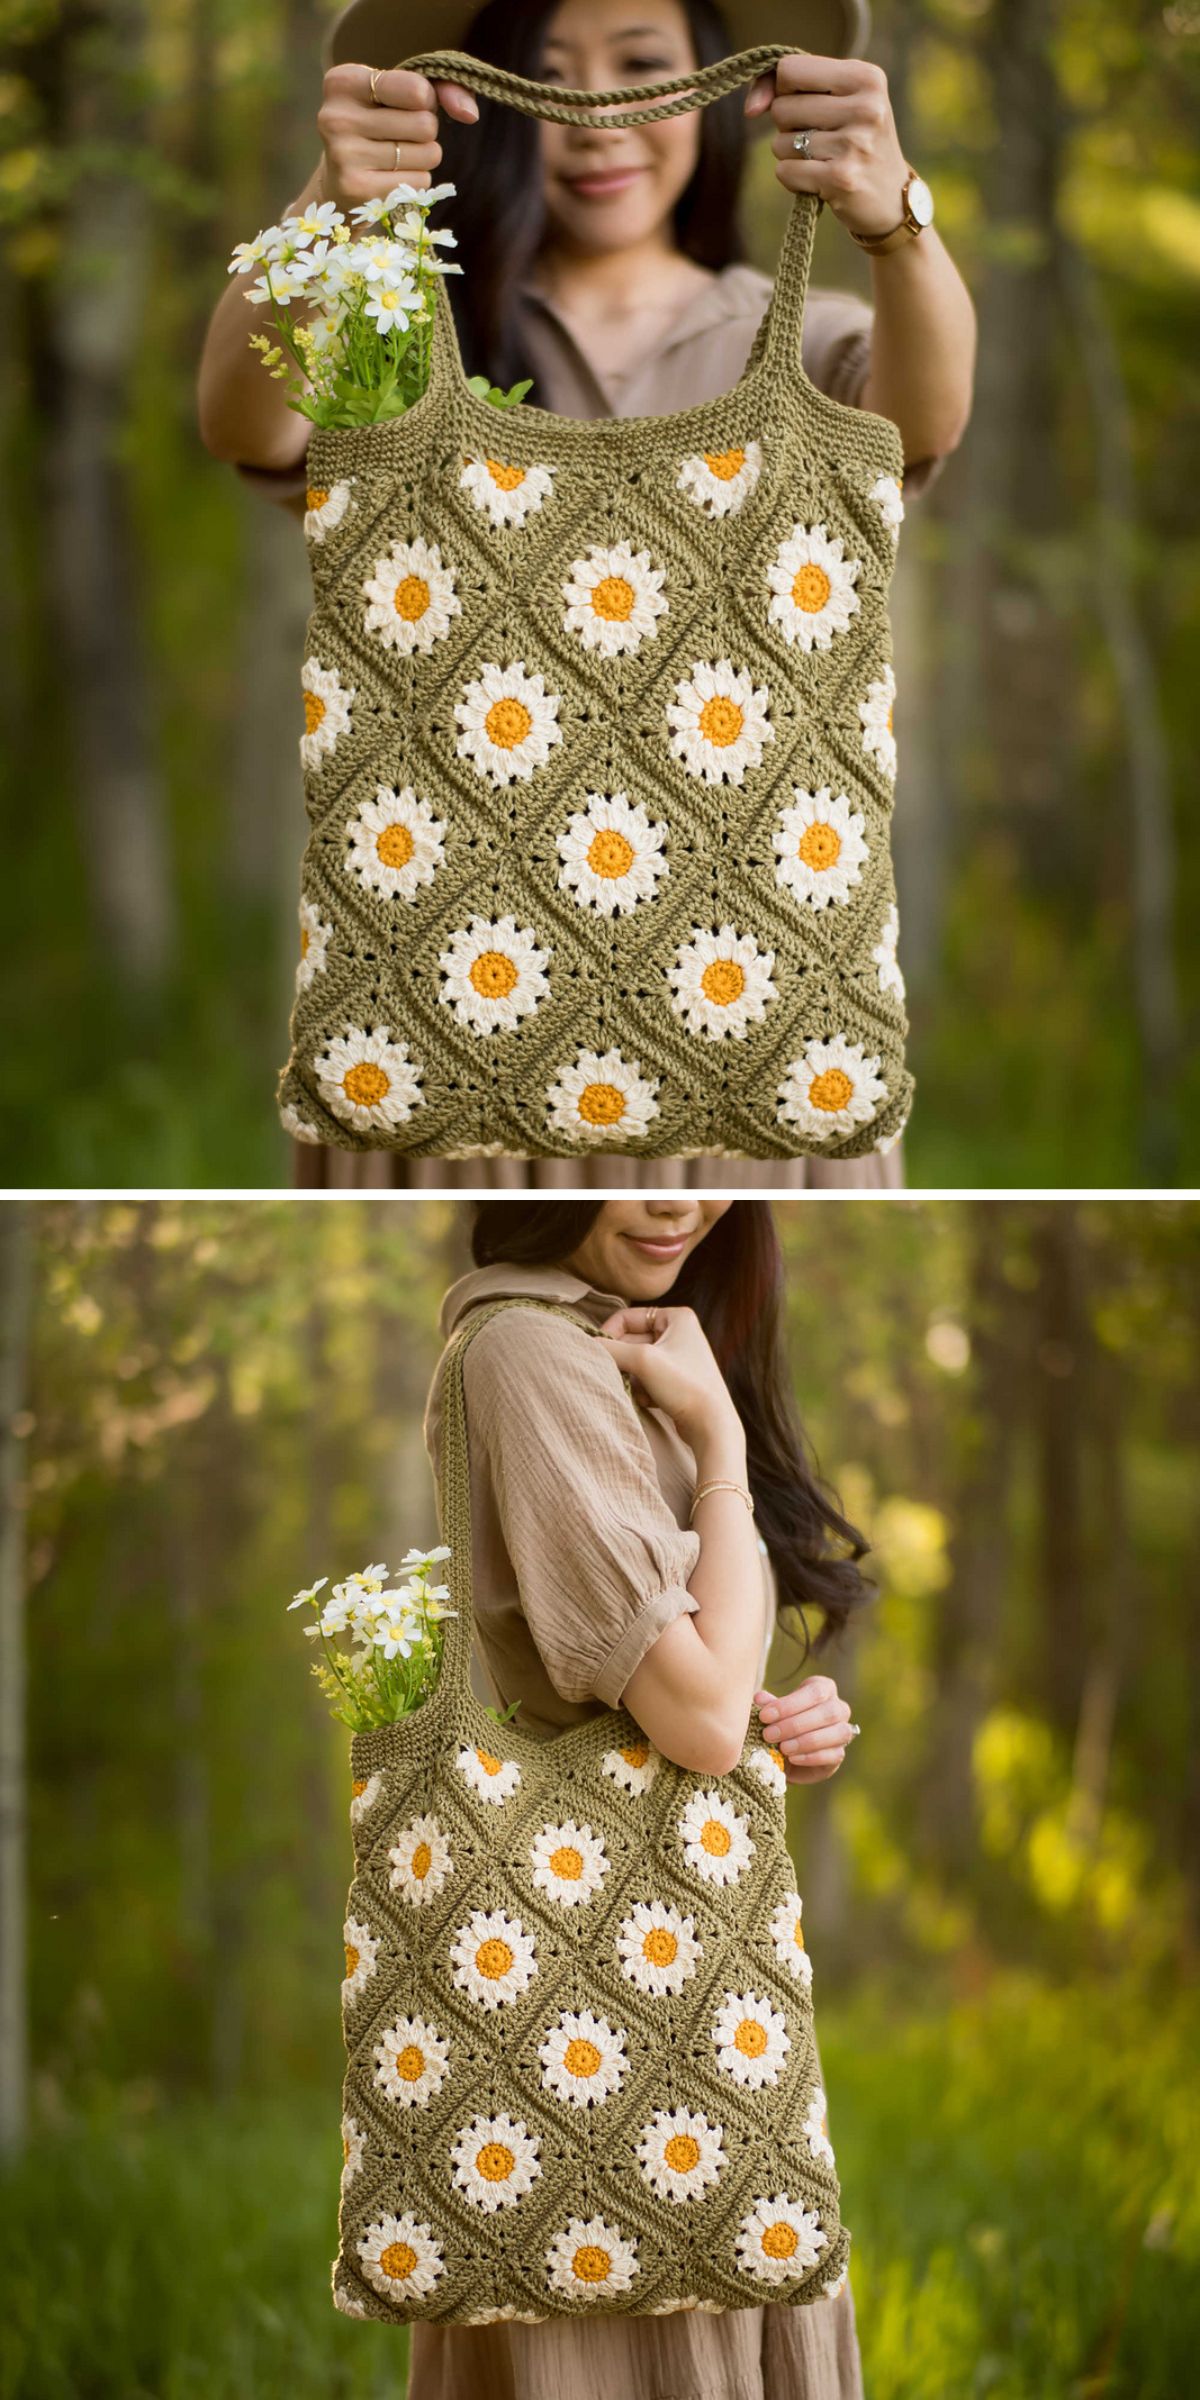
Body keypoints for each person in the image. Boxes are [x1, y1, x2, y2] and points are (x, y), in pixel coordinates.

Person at [197, 0, 977, 1191]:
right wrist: (331, 210)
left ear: (724, 90)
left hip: (760, 1073)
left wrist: (896, 221)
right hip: (438, 1048)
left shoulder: (811, 335)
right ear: (480, 103)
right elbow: (244, 424)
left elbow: (924, 420)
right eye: (547, 74)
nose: (598, 117)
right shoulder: (405, 323)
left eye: (643, 67)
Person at [413, 1194, 869, 2399]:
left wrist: (784, 1721)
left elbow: (714, 1698)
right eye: (635, 1159)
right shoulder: (531, 1351)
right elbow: (699, 1722)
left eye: (707, 1160)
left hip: (692, 2007)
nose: (679, 1197)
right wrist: (720, 1447)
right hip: (615, 2039)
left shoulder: (629, 1342)